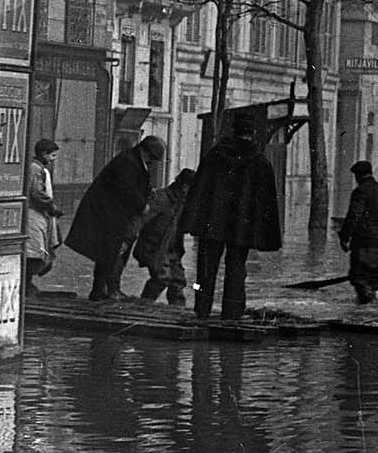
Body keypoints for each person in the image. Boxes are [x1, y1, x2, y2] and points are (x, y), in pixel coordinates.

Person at [177, 114, 283, 320]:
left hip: (212, 224)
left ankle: (201, 310)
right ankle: (232, 313)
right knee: (236, 269)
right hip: (241, 227)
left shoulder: (214, 156)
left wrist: (194, 221)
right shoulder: (260, 162)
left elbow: (199, 190)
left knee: (205, 270)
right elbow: (266, 200)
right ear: (252, 134)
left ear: (233, 131)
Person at [66, 135, 165, 301]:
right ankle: (103, 291)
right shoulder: (129, 162)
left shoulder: (133, 160)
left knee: (109, 253)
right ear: (143, 150)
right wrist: (142, 205)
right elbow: (127, 189)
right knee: (110, 252)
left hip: (113, 214)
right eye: (151, 157)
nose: (151, 161)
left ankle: (103, 291)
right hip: (108, 214)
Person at [135, 168, 196, 305]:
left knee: (178, 281)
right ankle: (143, 306)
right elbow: (140, 220)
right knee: (162, 277)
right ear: (185, 187)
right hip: (153, 247)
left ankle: (177, 310)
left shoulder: (181, 202)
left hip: (170, 250)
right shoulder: (160, 198)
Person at [337, 159, 378, 304]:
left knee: (359, 277)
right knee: (372, 279)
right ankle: (371, 312)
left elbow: (353, 216)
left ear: (357, 176)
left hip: (366, 244)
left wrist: (344, 237)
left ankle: (366, 312)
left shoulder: (360, 191)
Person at [24, 138, 63, 290]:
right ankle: (27, 284)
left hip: (38, 213)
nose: (53, 160)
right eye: (52, 156)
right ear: (43, 154)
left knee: (36, 248)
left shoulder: (37, 168)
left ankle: (28, 283)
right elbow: (36, 192)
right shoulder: (36, 169)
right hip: (34, 213)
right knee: (34, 250)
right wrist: (51, 206)